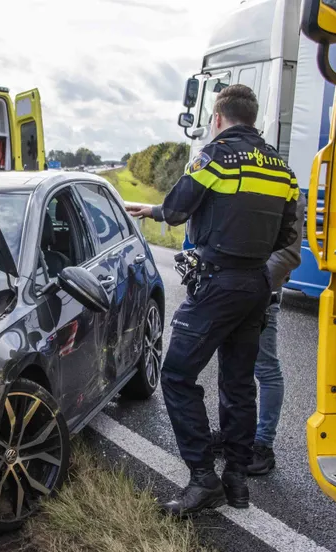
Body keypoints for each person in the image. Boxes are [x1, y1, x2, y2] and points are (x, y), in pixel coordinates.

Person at [126, 84, 299, 516]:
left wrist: (157, 212)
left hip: (217, 283)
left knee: (178, 375)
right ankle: (236, 482)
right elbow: (285, 235)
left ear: (218, 118)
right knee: (239, 384)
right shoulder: (282, 167)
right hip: (257, 285)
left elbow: (180, 207)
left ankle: (203, 479)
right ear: (252, 116)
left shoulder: (214, 156)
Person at [196, 191, 306, 474]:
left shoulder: (287, 188)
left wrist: (250, 284)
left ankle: (262, 444)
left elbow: (288, 255)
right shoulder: (243, 177)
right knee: (230, 366)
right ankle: (233, 435)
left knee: (266, 368)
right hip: (227, 292)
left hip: (260, 295)